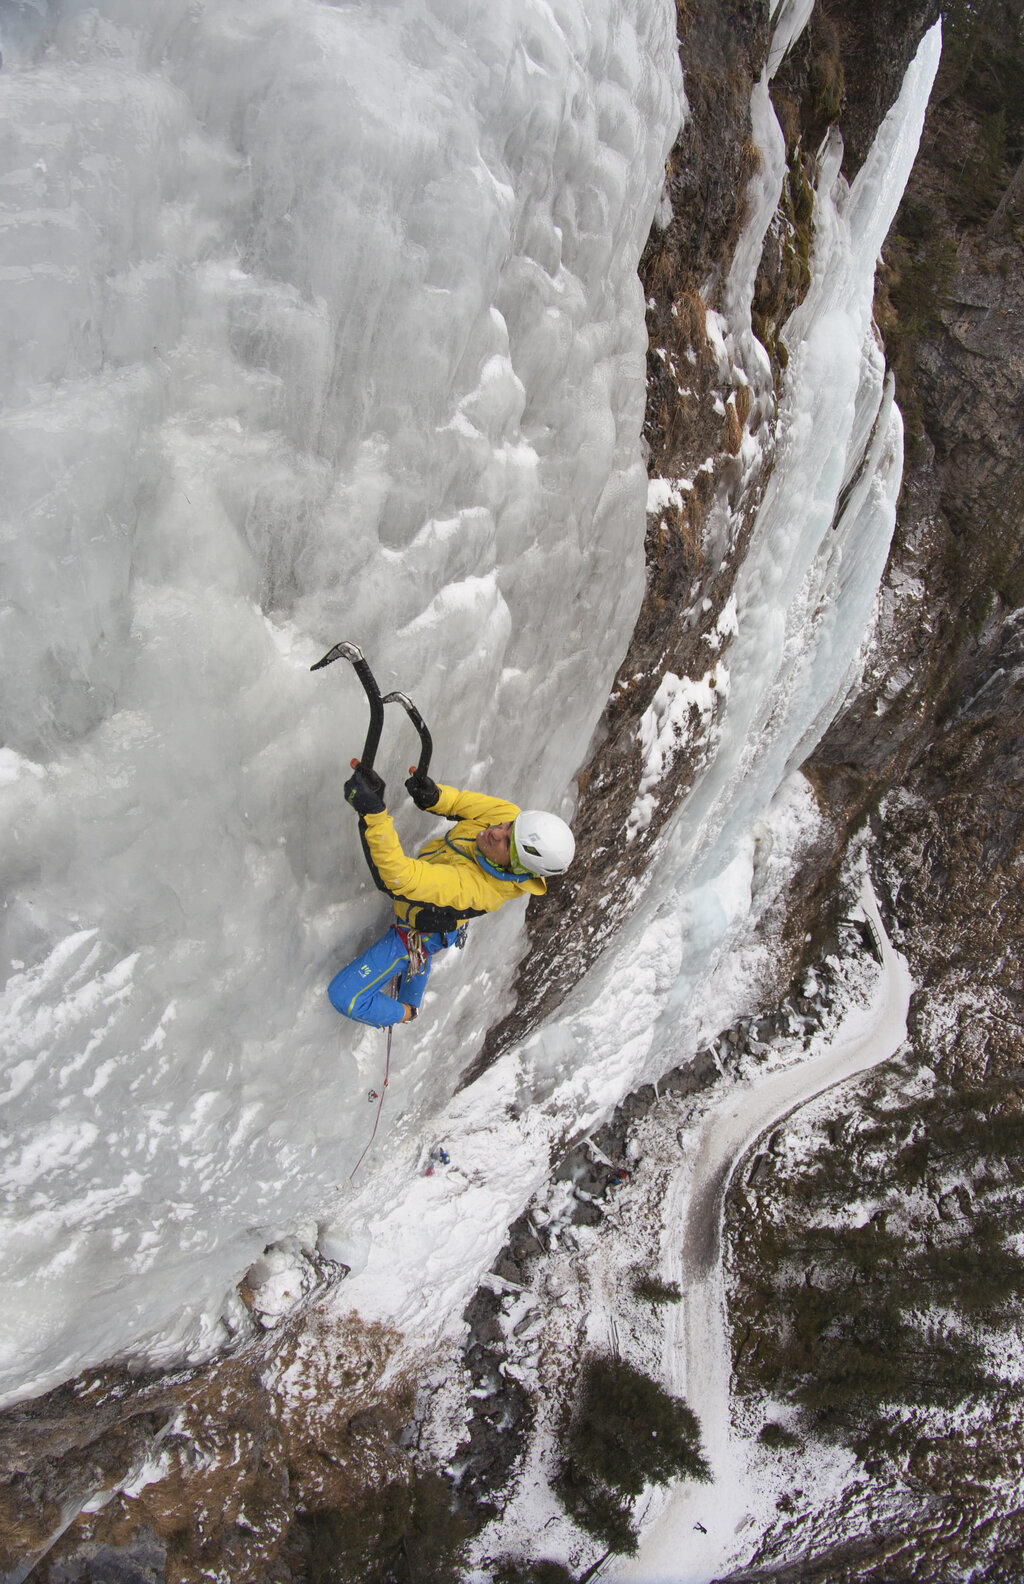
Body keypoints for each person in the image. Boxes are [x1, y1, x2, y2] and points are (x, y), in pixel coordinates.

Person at [328, 764, 575, 1028]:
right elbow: (458, 803)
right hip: (436, 909)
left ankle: (407, 1012)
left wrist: (374, 815)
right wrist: (434, 796)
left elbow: (398, 878)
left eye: (506, 843)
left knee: (345, 996)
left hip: (420, 930)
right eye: (508, 826)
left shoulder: (479, 890)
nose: (495, 831)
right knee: (425, 930)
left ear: (516, 868)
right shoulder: (507, 815)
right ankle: (414, 986)